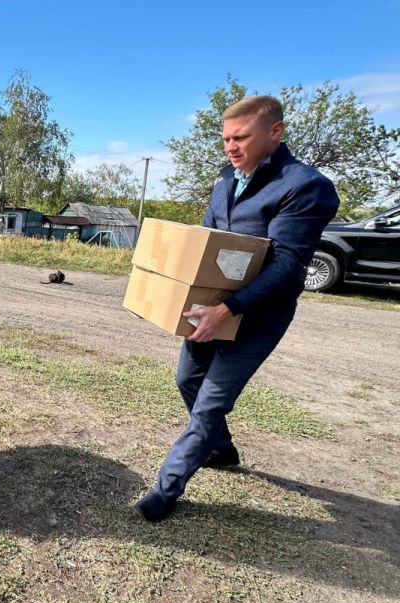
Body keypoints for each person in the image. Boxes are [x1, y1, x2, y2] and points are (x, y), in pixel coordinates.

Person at [135, 95, 340, 521]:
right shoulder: (225, 178)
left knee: (211, 403)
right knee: (187, 379)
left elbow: (287, 266)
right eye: (226, 138)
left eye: (241, 137)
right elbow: (208, 243)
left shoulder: (304, 186)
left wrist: (226, 309)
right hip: (213, 309)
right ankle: (222, 449)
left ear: (275, 132)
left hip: (259, 315)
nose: (230, 146)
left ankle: (164, 490)